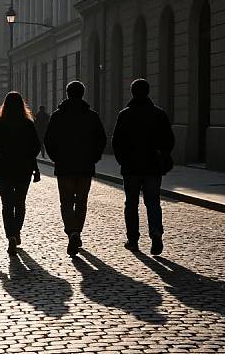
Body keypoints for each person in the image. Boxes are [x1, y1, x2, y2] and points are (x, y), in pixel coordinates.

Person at [112, 79, 175, 256]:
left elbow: (116, 142)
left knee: (131, 203)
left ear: (132, 93)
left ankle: (133, 240)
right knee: (153, 202)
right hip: (152, 166)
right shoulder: (158, 114)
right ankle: (155, 234)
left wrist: (122, 161)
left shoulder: (125, 114)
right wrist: (163, 155)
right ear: (148, 92)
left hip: (131, 167)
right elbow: (169, 140)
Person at [45, 81, 107, 256]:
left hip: (64, 166)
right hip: (85, 166)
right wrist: (94, 157)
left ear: (67, 94)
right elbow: (101, 139)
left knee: (66, 201)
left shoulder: (58, 116)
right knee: (81, 201)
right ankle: (77, 231)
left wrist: (56, 158)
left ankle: (71, 230)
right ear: (83, 94)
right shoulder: (91, 116)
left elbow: (49, 140)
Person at [0, 92, 41, 255]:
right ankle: (16, 232)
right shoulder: (27, 124)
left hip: (3, 168)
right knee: (20, 203)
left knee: (7, 205)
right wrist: (34, 166)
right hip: (23, 167)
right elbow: (35, 147)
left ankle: (10, 235)